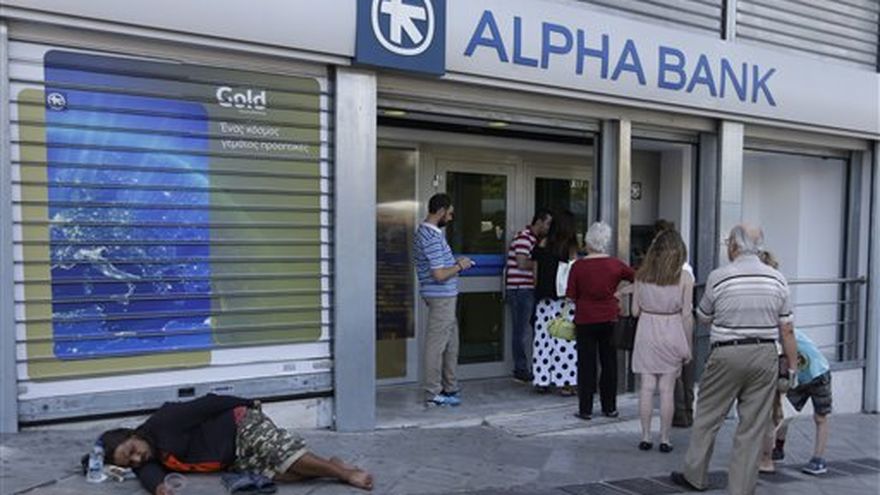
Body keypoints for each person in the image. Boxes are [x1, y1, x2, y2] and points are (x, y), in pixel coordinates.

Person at [671, 224, 798, 495]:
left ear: (734, 246)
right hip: (765, 354)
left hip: (726, 352)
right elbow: (787, 328)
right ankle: (741, 488)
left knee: (708, 416)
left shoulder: (719, 277)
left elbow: (703, 316)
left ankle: (695, 476)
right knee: (752, 426)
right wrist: (792, 366)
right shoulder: (777, 279)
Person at [92, 394, 373, 495]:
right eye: (129, 462)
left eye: (132, 452)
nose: (136, 459)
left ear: (132, 434)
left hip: (239, 424)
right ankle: (331, 465)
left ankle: (346, 474)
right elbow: (147, 472)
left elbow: (209, 403)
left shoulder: (165, 421)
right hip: (233, 457)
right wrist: (159, 488)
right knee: (282, 475)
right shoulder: (147, 454)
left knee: (277, 452)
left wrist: (248, 403)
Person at [631, 229, 694, 453]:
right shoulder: (685, 278)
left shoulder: (641, 275)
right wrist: (688, 346)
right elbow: (687, 315)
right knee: (667, 390)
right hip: (672, 330)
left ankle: (646, 436)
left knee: (646, 388)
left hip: (647, 331)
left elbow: (634, 311)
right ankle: (665, 439)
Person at [566, 221, 635, 420]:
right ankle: (610, 407)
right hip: (609, 317)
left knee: (586, 365)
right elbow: (638, 278)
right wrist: (621, 292)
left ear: (588, 242)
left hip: (585, 318)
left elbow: (571, 295)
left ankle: (585, 409)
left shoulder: (578, 266)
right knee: (609, 364)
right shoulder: (615, 264)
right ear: (606, 242)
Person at [414, 193, 474, 407]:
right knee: (437, 345)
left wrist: (454, 264)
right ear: (440, 211)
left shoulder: (427, 233)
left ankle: (450, 387)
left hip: (443, 297)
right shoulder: (431, 237)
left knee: (451, 344)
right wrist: (459, 266)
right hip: (441, 297)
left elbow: (438, 267)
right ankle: (433, 392)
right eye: (449, 213)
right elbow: (439, 274)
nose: (450, 218)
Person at [765, 330, 833, 475]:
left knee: (820, 417)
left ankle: (818, 459)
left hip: (819, 375)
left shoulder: (787, 335)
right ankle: (778, 448)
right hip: (799, 379)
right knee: (783, 411)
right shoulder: (775, 338)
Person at [651, 220, 697, 428]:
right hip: (685, 319)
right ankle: (688, 410)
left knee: (672, 370)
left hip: (670, 322)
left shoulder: (662, 272)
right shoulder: (686, 269)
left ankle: (679, 412)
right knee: (687, 370)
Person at [531, 210, 578, 395]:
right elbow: (574, 273)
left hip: (543, 300)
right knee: (565, 340)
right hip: (564, 300)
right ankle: (566, 383)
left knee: (543, 340)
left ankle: (541, 380)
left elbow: (535, 276)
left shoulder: (541, 243)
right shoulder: (570, 247)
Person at [505, 208, 553, 382]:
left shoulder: (532, 239)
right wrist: (543, 263)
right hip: (520, 289)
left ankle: (529, 367)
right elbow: (521, 263)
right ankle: (520, 369)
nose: (548, 227)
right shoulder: (524, 238)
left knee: (526, 329)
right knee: (521, 331)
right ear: (539, 221)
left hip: (525, 289)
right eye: (547, 223)